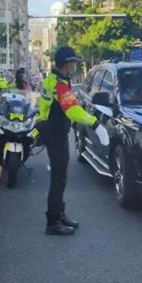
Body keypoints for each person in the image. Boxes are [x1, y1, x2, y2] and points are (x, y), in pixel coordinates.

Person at [38, 46, 105, 236]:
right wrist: (94, 123)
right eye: (74, 62)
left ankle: (59, 214)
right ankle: (53, 222)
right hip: (55, 133)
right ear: (67, 64)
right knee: (58, 179)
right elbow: (72, 110)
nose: (75, 66)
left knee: (60, 177)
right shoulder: (59, 84)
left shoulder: (52, 79)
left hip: (51, 130)